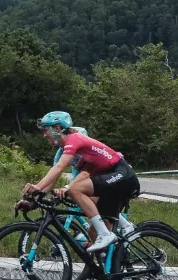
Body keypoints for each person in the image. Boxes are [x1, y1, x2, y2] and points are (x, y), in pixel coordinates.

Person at [23, 110, 141, 262]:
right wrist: (33, 198)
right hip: (112, 181)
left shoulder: (74, 139)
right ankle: (109, 268)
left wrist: (38, 186)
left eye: (46, 130)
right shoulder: (71, 151)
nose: (44, 135)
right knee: (92, 231)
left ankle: (109, 233)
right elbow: (55, 176)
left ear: (57, 128)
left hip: (123, 174)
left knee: (75, 190)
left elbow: (59, 168)